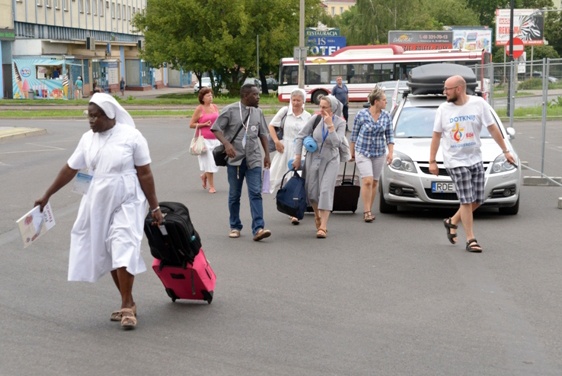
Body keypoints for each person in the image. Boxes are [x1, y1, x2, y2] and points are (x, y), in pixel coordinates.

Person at [33, 93, 163, 330]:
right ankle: (129, 301)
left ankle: (126, 306)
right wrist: (47, 194)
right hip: (97, 197)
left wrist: (154, 207)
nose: (91, 121)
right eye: (89, 116)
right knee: (109, 249)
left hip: (128, 197)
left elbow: (145, 173)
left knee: (123, 243)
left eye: (96, 116)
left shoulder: (132, 137)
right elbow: (70, 169)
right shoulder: (87, 139)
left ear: (110, 115)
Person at [429, 75, 516, 253]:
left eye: (447, 89)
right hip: (455, 160)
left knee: (478, 199)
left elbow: (492, 127)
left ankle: (452, 221)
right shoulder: (443, 110)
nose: (444, 92)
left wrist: (506, 151)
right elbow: (437, 135)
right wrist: (432, 161)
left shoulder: (479, 104)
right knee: (466, 200)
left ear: (459, 89)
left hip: (475, 158)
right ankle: (471, 239)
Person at [211, 84, 272, 241]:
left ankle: (258, 228)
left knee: (255, 193)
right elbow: (216, 128)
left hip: (254, 159)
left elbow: (263, 133)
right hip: (235, 160)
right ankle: (235, 226)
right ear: (246, 96)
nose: (258, 97)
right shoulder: (231, 110)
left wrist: (267, 154)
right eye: (255, 95)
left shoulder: (258, 112)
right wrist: (226, 144)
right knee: (234, 195)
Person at [293, 95, 347, 239]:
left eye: (324, 107)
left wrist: (330, 126)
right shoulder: (315, 119)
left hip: (331, 159)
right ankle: (317, 215)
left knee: (325, 190)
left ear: (333, 108)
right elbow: (300, 136)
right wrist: (298, 157)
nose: (321, 110)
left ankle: (323, 226)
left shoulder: (340, 123)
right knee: (312, 191)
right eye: (320, 107)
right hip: (313, 157)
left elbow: (336, 143)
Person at [350, 86, 394, 223]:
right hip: (362, 151)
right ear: (376, 101)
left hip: (379, 152)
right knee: (367, 180)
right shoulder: (361, 115)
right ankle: (367, 211)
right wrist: (351, 153)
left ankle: (369, 207)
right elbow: (354, 135)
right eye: (384, 100)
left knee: (374, 182)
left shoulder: (386, 116)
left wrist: (390, 152)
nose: (386, 102)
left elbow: (390, 136)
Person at [268, 88, 311, 224]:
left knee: (296, 178)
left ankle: (294, 209)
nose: (296, 103)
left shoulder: (307, 116)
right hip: (285, 148)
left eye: (299, 100)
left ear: (303, 101)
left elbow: (310, 134)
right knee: (281, 177)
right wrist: (276, 142)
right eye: (293, 100)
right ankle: (287, 202)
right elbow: (271, 126)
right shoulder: (285, 112)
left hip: (300, 150)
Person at [190, 87, 220, 194]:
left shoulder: (215, 107)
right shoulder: (199, 109)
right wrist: (203, 124)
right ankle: (211, 186)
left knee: (216, 162)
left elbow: (219, 121)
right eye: (208, 95)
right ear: (202, 98)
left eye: (211, 95)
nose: (210, 97)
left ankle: (204, 175)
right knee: (209, 163)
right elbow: (191, 124)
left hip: (216, 138)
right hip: (204, 140)